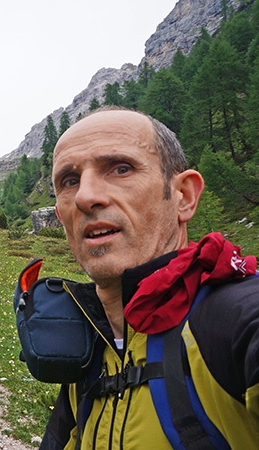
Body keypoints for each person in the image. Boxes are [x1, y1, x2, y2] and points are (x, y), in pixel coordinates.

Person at [38, 107, 258, 448]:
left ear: (183, 196)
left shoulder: (239, 321)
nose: (85, 196)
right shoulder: (88, 345)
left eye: (120, 168)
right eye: (69, 180)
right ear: (60, 216)